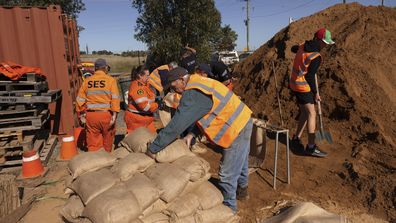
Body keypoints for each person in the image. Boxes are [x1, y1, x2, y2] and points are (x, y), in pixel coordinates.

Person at [147, 67, 253, 213]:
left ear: (181, 79)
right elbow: (206, 112)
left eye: (173, 86)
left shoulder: (192, 93)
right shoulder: (200, 82)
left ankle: (230, 210)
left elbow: (177, 125)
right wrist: (192, 134)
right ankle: (242, 191)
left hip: (234, 129)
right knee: (240, 162)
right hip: (243, 119)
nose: (174, 90)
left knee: (226, 175)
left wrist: (153, 148)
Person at [289, 28, 335, 158]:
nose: (326, 45)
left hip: (294, 83)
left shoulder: (303, 45)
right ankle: (311, 147)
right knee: (311, 113)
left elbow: (293, 48)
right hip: (303, 86)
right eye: (325, 42)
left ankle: (296, 138)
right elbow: (310, 77)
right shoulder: (316, 56)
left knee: (304, 111)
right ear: (319, 40)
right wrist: (315, 93)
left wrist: (298, 48)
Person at [76, 58, 120, 152]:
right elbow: (115, 99)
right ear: (105, 68)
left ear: (95, 69)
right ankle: (107, 159)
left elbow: (80, 99)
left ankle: (95, 161)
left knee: (93, 142)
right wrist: (114, 115)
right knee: (108, 141)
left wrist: (82, 113)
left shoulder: (87, 81)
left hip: (91, 116)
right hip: (106, 115)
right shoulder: (111, 80)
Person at [125, 65, 160, 133]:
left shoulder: (145, 85)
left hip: (145, 118)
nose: (148, 77)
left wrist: (156, 100)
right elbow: (145, 107)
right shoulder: (138, 88)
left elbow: (149, 98)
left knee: (152, 138)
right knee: (136, 141)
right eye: (147, 75)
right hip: (136, 120)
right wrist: (157, 105)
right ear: (140, 76)